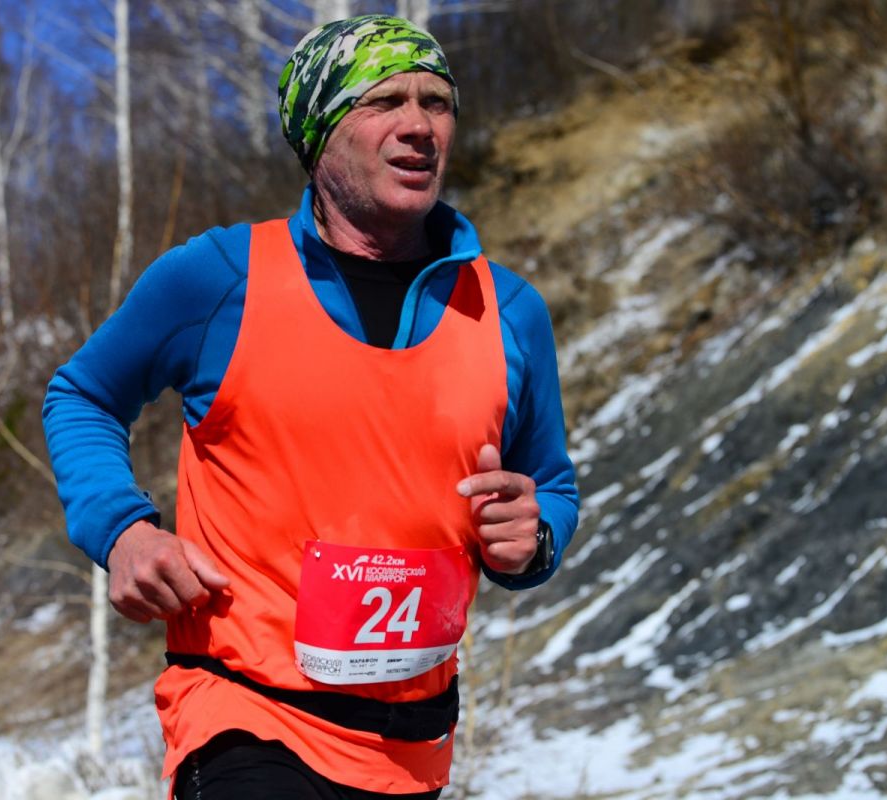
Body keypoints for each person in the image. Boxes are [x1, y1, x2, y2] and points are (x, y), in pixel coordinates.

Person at [43, 14, 578, 800]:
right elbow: (84, 395)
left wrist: (532, 540)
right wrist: (123, 531)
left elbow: (551, 487)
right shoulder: (219, 278)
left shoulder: (508, 310)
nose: (419, 125)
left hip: (413, 746)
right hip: (244, 716)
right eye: (384, 101)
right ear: (318, 134)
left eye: (436, 103)